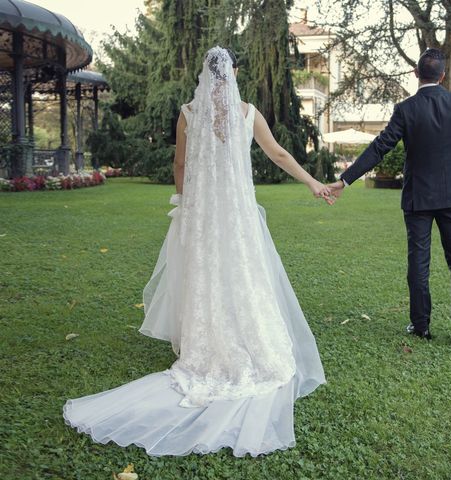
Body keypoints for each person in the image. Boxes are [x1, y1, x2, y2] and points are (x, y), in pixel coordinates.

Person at [63, 47, 328, 456]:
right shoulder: (247, 112)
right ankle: (244, 339)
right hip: (238, 213)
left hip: (205, 213)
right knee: (243, 273)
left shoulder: (188, 113)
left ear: (204, 74)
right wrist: (313, 182)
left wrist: (186, 205)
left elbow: (181, 165)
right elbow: (277, 153)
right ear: (235, 73)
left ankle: (206, 345)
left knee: (205, 276)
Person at [328, 48, 451, 346]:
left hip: (418, 198)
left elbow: (380, 147)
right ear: (442, 76)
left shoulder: (406, 109)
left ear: (417, 74)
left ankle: (420, 326)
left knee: (419, 260)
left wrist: (345, 179)